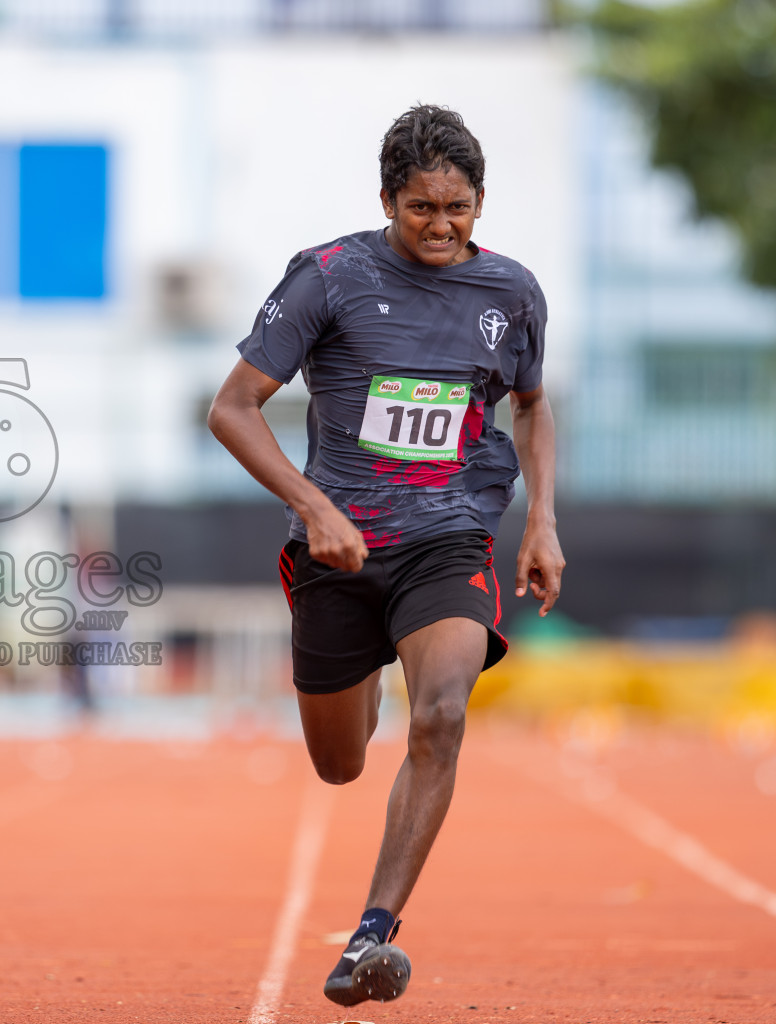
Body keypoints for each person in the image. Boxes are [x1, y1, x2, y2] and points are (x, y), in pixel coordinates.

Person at [207, 105, 564, 1007]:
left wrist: (543, 521)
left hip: (450, 538)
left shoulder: (512, 294)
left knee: (442, 712)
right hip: (339, 549)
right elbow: (232, 407)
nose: (441, 226)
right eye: (420, 209)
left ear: (480, 202)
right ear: (386, 200)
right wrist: (313, 506)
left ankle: (373, 933)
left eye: (458, 208)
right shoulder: (328, 277)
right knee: (340, 763)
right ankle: (359, 667)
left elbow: (530, 404)